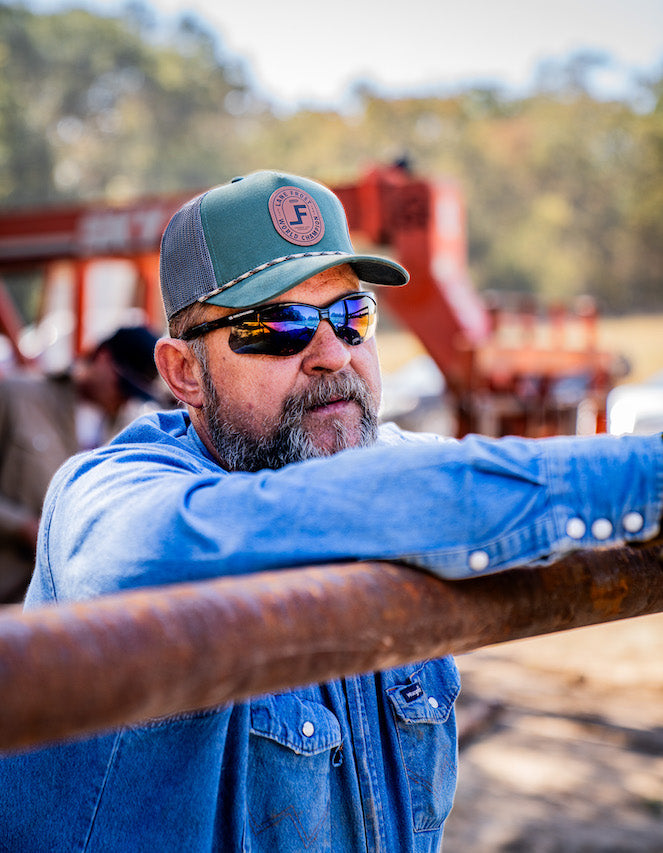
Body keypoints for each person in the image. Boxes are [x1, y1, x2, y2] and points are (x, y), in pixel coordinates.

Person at [0, 170, 661, 852]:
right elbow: (154, 552)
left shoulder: (386, 465)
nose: (332, 353)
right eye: (276, 325)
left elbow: (440, 482)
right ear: (183, 373)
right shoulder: (107, 496)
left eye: (352, 316)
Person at [0, 325, 160, 603]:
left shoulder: (132, 429)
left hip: (72, 605)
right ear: (103, 357)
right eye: (123, 385)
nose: (125, 398)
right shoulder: (16, 397)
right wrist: (22, 526)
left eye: (135, 392)